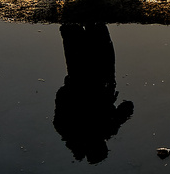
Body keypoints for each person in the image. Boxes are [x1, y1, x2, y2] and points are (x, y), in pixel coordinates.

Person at [52, 23, 135, 164]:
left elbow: (128, 107)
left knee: (89, 26)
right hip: (82, 75)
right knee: (79, 29)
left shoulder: (103, 129)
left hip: (97, 75)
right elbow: (128, 107)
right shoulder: (70, 131)